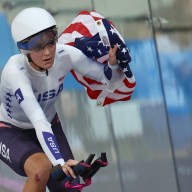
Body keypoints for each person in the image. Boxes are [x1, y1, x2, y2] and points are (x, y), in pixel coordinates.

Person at [0, 7, 123, 192]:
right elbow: (38, 120)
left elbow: (106, 77)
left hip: (49, 124)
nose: (48, 52)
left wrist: (113, 64)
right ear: (23, 49)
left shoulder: (65, 55)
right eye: (37, 46)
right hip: (11, 129)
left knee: (70, 187)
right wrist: (59, 162)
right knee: (41, 169)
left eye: (51, 41)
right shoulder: (15, 72)